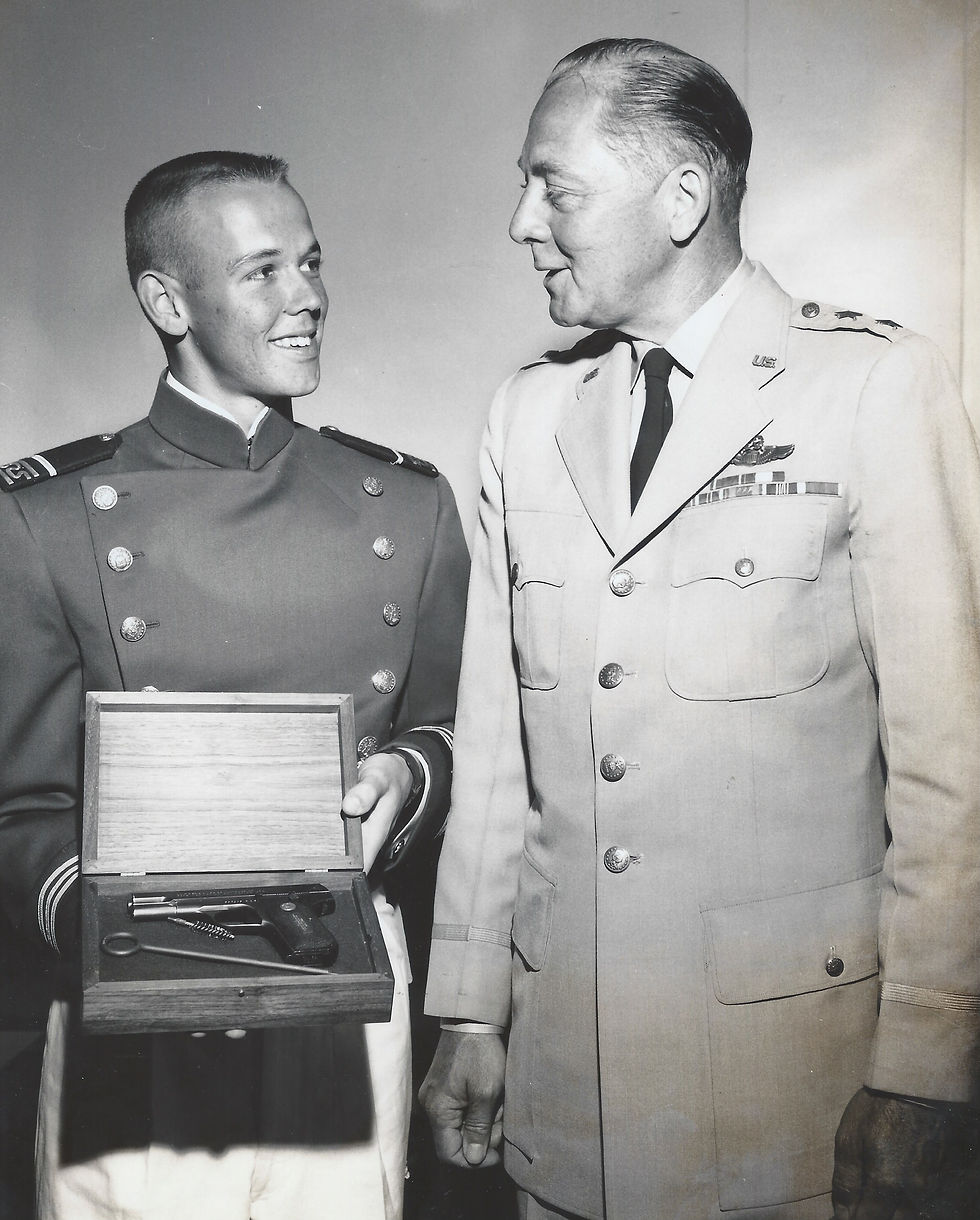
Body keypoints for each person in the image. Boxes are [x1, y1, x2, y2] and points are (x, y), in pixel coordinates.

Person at [420, 37, 980, 1220]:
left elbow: (952, 772)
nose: (522, 220)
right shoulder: (527, 416)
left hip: (795, 1109)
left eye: (552, 186)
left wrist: (925, 1070)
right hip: (561, 1108)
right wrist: (469, 1009)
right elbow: (495, 758)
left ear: (682, 195)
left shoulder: (871, 387)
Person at [0, 150, 469, 1220]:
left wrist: (406, 774)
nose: (308, 296)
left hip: (347, 999)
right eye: (262, 271)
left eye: (309, 262)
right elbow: (20, 808)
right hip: (132, 1007)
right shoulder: (46, 517)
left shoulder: (407, 502)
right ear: (167, 300)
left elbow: (456, 732)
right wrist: (125, 941)